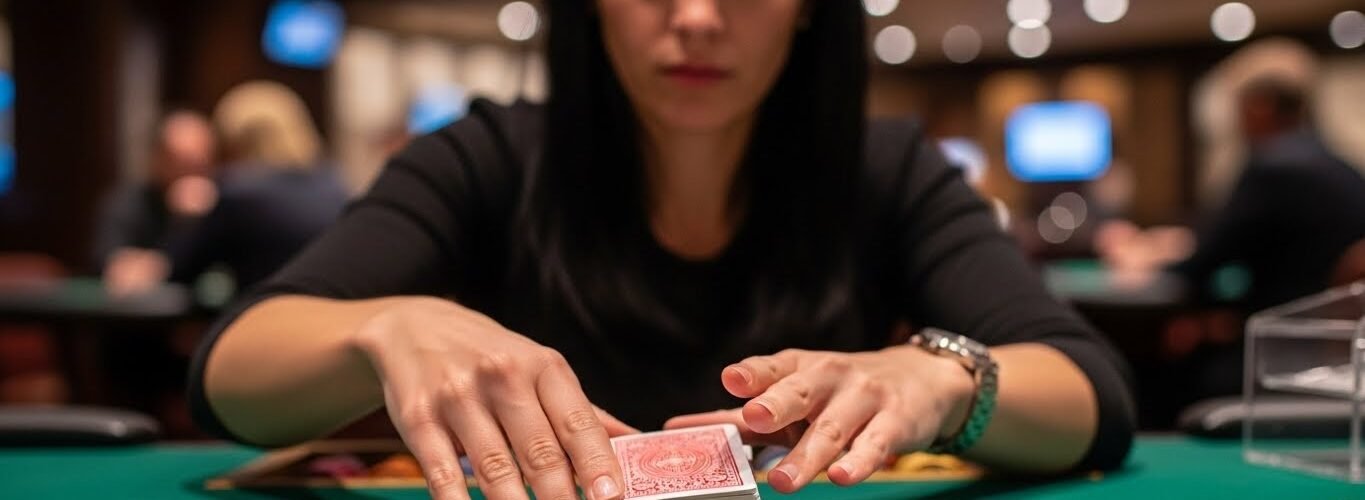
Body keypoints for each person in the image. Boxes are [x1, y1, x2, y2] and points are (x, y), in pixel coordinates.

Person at [190, 3, 1136, 500]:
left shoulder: (887, 168)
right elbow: (233, 371)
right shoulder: (486, 155)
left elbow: (1089, 390)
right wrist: (387, 327)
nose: (694, 15)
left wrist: (939, 382)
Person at [1167, 76, 1365, 398]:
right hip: (1344, 352)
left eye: (1240, 111)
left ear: (1260, 109)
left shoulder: (1272, 166)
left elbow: (1205, 260)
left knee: (1175, 368)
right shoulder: (1343, 164)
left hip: (1288, 348)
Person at [166, 81, 348, 296]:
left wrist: (188, 217)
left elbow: (182, 271)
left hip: (267, 318)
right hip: (331, 315)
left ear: (236, 140)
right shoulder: (334, 185)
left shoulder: (239, 191)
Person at [93, 110, 218, 296]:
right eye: (181, 163)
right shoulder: (127, 203)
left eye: (199, 164)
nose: (191, 174)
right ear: (157, 159)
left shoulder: (223, 205)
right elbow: (116, 269)